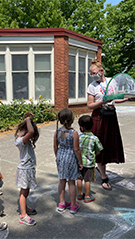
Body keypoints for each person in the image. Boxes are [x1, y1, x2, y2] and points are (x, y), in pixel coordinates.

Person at [87, 59, 127, 190]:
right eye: (91, 73)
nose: (92, 75)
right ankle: (104, 176)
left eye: (94, 73)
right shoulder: (92, 86)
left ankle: (101, 168)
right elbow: (89, 105)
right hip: (99, 116)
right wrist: (103, 102)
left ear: (101, 71)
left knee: (109, 144)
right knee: (99, 145)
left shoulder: (112, 81)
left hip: (111, 116)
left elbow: (115, 98)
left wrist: (126, 98)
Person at [53, 108, 83, 214]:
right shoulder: (74, 133)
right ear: (71, 119)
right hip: (71, 158)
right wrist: (80, 162)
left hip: (60, 157)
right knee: (71, 182)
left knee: (62, 180)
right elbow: (76, 149)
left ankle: (61, 203)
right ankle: (73, 205)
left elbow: (55, 146)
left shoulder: (57, 131)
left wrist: (58, 157)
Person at [15, 112, 39, 226]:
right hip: (25, 170)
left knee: (26, 190)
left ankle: (24, 208)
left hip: (28, 169)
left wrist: (28, 120)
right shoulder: (21, 141)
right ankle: (23, 215)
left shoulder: (23, 139)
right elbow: (31, 132)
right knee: (24, 193)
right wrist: (28, 119)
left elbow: (30, 131)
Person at [77, 115, 103, 203]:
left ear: (81, 127)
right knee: (87, 180)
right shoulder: (94, 138)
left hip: (79, 162)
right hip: (89, 163)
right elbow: (99, 149)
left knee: (79, 178)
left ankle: (80, 194)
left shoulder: (79, 137)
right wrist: (95, 153)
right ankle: (87, 196)